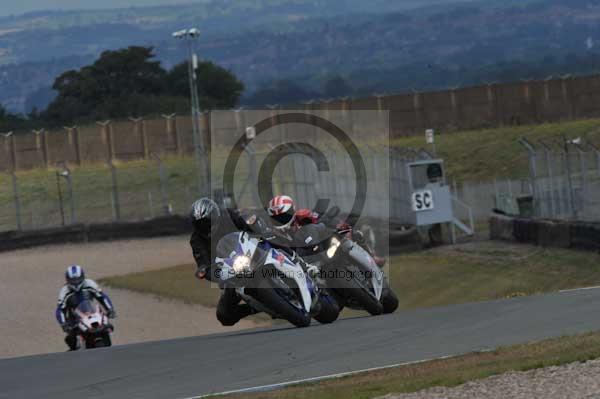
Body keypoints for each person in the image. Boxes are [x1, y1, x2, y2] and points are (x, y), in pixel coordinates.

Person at [189, 198, 260, 326]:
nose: (205, 226)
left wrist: (253, 225)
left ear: (215, 215)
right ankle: (257, 307)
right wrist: (205, 270)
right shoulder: (196, 240)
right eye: (200, 224)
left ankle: (297, 260)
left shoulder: (228, 216)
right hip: (232, 271)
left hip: (251, 251)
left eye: (207, 222)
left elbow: (245, 221)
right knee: (224, 315)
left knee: (274, 241)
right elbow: (203, 262)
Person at [266, 195, 385, 267]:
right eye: (277, 219)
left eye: (283, 216)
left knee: (353, 232)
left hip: (324, 244)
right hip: (307, 260)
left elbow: (323, 222)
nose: (281, 220)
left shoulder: (304, 216)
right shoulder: (277, 235)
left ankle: (371, 257)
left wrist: (334, 224)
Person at [55, 265, 115, 351]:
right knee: (71, 339)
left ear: (83, 277)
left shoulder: (90, 284)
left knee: (107, 326)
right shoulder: (64, 291)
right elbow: (60, 309)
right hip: (74, 318)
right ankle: (75, 353)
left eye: (77, 279)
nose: (76, 282)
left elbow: (102, 297)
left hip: (91, 312)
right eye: (73, 280)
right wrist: (63, 323)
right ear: (68, 280)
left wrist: (110, 309)